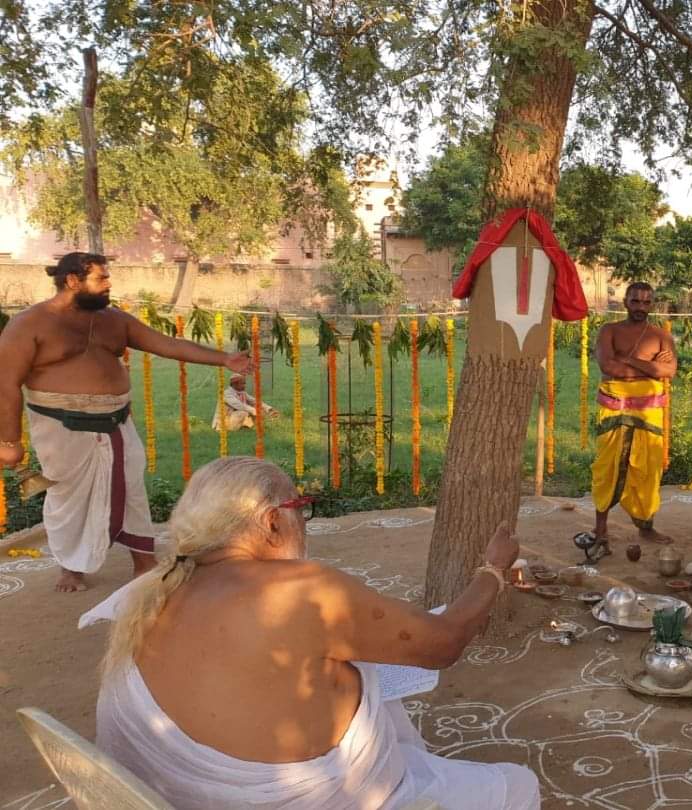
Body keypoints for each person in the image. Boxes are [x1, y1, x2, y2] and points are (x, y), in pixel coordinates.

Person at [95, 456, 540, 809]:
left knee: (374, 688)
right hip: (297, 801)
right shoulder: (302, 591)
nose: (304, 522)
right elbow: (444, 643)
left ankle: (415, 770)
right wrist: (494, 569)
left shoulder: (152, 591)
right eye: (300, 509)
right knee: (518, 785)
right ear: (271, 522)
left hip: (182, 795)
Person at [0, 253, 252, 592]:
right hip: (61, 427)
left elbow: (167, 345)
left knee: (131, 488)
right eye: (101, 278)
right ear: (73, 280)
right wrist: (10, 442)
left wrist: (223, 359)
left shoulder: (114, 320)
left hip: (117, 422)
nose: (109, 284)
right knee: (67, 494)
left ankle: (142, 560)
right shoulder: (30, 324)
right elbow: (6, 384)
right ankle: (72, 567)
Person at [592, 282, 678, 545]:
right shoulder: (609, 331)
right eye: (635, 301)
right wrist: (650, 366)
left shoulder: (661, 335)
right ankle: (601, 529)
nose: (641, 307)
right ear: (625, 301)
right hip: (614, 405)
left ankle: (645, 527)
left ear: (652, 304)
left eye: (646, 302)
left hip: (649, 410)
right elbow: (608, 366)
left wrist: (628, 360)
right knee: (607, 466)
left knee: (648, 468)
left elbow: (669, 371)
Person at [212, 373, 277, 430]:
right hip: (222, 421)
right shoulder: (226, 394)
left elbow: (254, 401)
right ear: (235, 384)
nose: (244, 385)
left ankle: (259, 425)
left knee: (258, 408)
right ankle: (231, 429)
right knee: (243, 412)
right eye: (243, 383)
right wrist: (255, 411)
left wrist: (268, 409)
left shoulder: (242, 393)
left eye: (244, 383)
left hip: (233, 417)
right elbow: (240, 406)